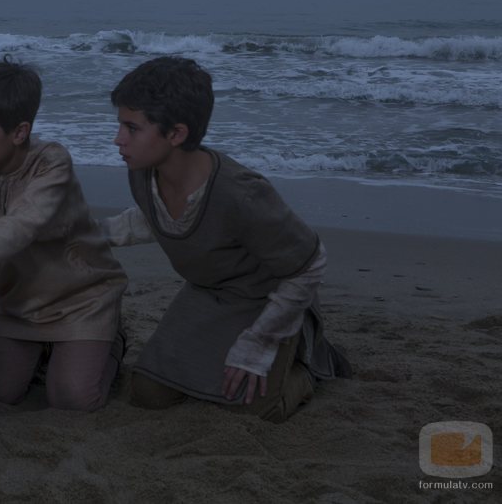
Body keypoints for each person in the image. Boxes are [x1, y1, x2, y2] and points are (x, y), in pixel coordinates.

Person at [104, 56, 350, 422]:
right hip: (207, 293)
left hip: (266, 302)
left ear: (176, 134)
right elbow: (155, 215)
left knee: (259, 408)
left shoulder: (242, 194)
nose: (118, 139)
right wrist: (96, 234)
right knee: (148, 393)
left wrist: (259, 343)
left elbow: (309, 264)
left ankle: (306, 365)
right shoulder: (143, 171)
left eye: (132, 128)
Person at [0, 59, 128, 412]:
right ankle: (45, 350)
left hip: (80, 302)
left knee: (72, 399)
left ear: (19, 132)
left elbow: (23, 224)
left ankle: (113, 339)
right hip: (20, 309)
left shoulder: (51, 163)